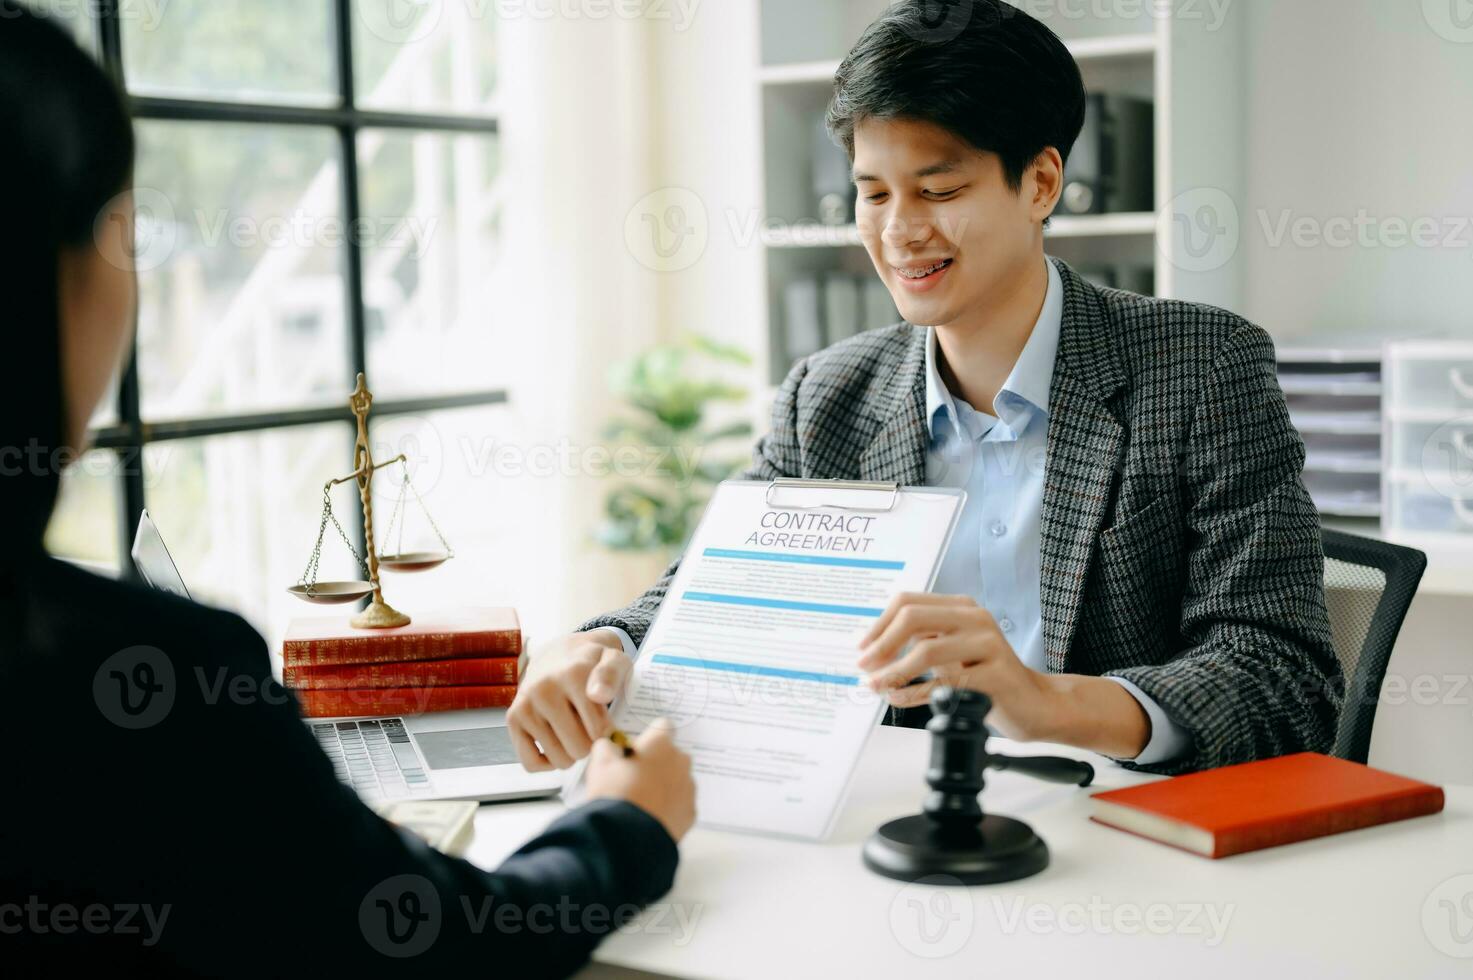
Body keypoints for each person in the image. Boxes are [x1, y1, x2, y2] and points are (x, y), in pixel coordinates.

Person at [0, 6, 693, 975]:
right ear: (54, 277)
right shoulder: (139, 676)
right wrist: (626, 824)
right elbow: (441, 940)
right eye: (123, 234)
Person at [509, 0, 1342, 778]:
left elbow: (1283, 679)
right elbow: (709, 589)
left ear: (1040, 184)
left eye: (938, 190)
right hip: (891, 823)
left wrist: (1047, 702)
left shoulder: (1199, 368)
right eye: (873, 194)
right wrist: (597, 643)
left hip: (1123, 832)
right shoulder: (827, 396)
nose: (901, 230)